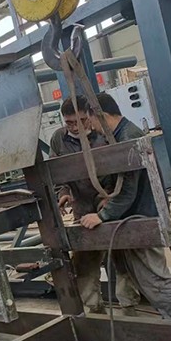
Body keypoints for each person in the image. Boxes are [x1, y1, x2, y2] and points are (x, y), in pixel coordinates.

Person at [78, 92, 171, 341]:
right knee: (144, 277)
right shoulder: (121, 137)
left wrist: (103, 215)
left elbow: (128, 191)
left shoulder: (129, 139)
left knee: (153, 277)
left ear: (101, 115)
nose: (90, 126)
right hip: (137, 217)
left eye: (90, 119)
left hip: (143, 218)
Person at [49, 96, 140, 316]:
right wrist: (63, 193)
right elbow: (55, 172)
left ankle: (129, 305)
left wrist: (110, 200)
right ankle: (93, 308)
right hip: (81, 207)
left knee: (121, 255)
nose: (74, 127)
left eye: (80, 121)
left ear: (89, 116)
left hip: (108, 203)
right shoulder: (59, 139)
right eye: (69, 123)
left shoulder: (105, 134)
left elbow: (121, 173)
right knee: (84, 262)